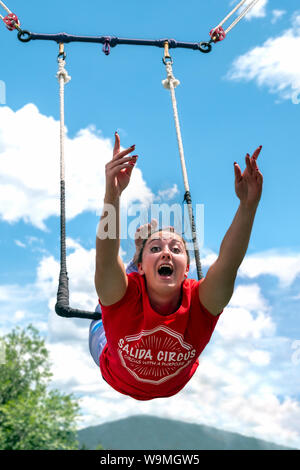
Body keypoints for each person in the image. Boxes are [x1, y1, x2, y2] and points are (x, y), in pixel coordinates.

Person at [91, 131, 263, 400]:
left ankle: (142, 250)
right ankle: (137, 256)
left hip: (172, 386)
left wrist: (248, 206)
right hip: (113, 369)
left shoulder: (201, 301)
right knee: (108, 286)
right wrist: (112, 193)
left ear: (187, 271)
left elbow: (229, 262)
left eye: (176, 249)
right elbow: (104, 258)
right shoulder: (123, 296)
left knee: (113, 284)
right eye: (157, 249)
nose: (167, 254)